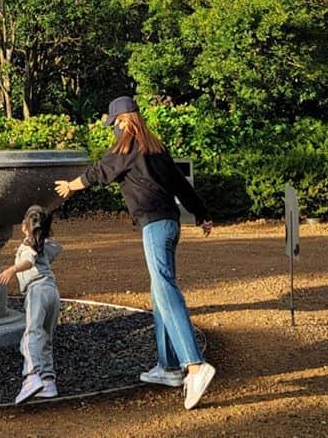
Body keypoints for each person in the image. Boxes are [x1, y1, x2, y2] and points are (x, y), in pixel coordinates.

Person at [55, 95, 216, 410]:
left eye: (114, 123)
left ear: (122, 121)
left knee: (166, 290)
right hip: (170, 224)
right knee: (159, 292)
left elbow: (100, 171)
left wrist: (70, 186)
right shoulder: (156, 148)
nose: (114, 129)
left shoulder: (127, 149)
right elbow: (182, 186)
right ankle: (169, 368)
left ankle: (195, 365)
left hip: (154, 227)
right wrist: (202, 214)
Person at [0, 204, 63, 403]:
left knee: (31, 335)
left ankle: (32, 375)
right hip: (52, 291)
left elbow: (29, 260)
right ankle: (48, 381)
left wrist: (12, 269)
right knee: (46, 338)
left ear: (26, 225)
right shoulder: (44, 243)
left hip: (37, 291)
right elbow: (54, 250)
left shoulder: (29, 244)